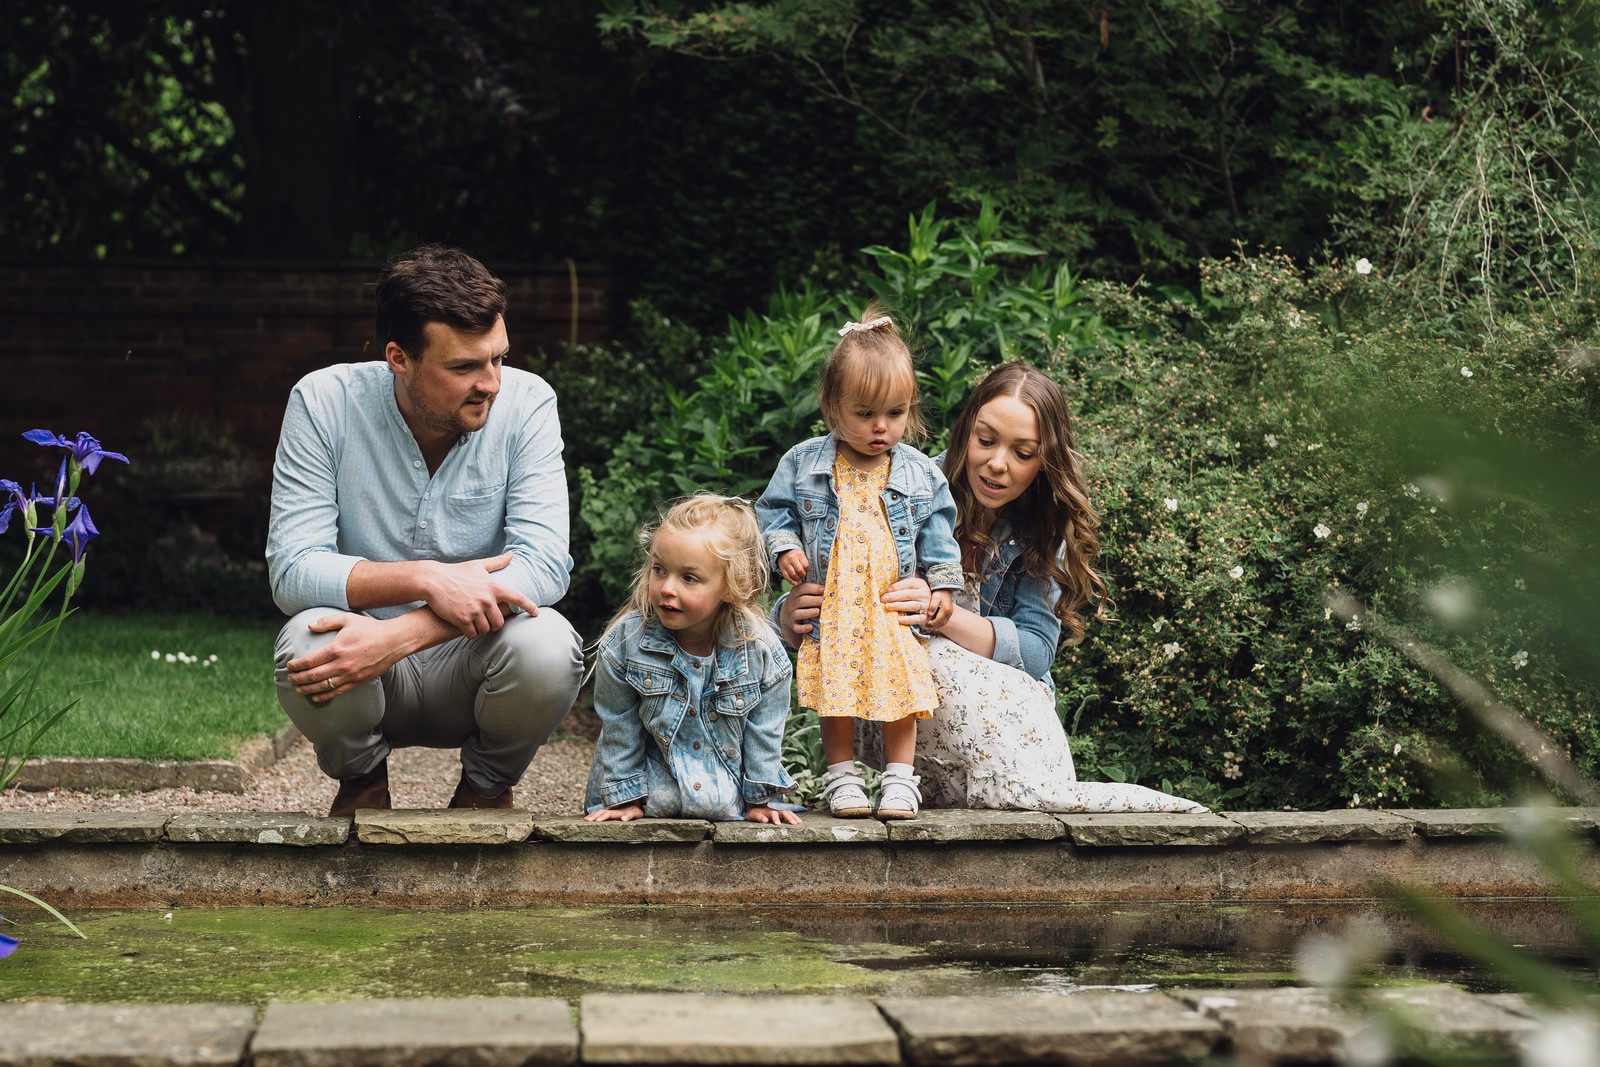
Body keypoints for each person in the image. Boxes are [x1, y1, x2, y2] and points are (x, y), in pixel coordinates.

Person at [779, 361, 1206, 814]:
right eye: (986, 440)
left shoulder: (1043, 530)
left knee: (924, 647)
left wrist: (939, 613)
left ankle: (1022, 791)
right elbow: (840, 578)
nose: (997, 464)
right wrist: (789, 616)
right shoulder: (907, 483)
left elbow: (1037, 652)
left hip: (1002, 725)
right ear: (965, 431)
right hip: (900, 726)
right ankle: (892, 783)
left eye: (1023, 453)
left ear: (1046, 460)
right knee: (903, 650)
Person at [267, 245, 583, 817]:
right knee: (305, 643)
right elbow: (293, 569)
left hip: (476, 658)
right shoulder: (322, 402)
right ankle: (362, 783)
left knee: (550, 644)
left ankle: (486, 790)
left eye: (498, 359)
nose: (491, 383)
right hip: (359, 669)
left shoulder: (530, 403)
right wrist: (426, 579)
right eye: (464, 367)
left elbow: (545, 564)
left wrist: (401, 635)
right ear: (399, 358)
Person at [755, 309, 963, 821]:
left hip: (890, 603)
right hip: (837, 605)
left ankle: (899, 779)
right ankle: (842, 776)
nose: (880, 427)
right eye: (865, 413)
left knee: (902, 689)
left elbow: (939, 530)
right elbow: (770, 512)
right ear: (832, 406)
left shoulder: (917, 471)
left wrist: (941, 586)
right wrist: (784, 548)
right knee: (837, 691)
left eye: (895, 413)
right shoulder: (803, 463)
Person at [583, 494, 801, 825]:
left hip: (725, 782)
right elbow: (619, 724)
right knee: (660, 796)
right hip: (650, 783)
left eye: (689, 578)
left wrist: (761, 799)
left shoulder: (760, 650)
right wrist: (625, 796)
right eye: (659, 570)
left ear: (732, 585)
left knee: (720, 804)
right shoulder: (627, 642)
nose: (667, 588)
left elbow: (765, 732)